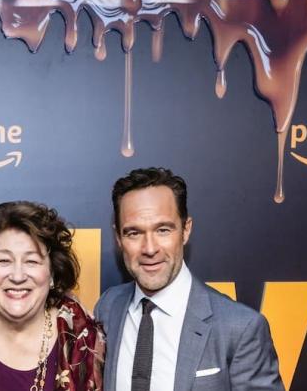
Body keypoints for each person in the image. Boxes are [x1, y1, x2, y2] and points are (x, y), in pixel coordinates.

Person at [95, 167, 284, 391]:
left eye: (163, 230)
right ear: (118, 238)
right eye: (134, 233)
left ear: (185, 230)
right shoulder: (108, 308)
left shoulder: (240, 328)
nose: (149, 248)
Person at [0, 201, 105, 391]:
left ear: (52, 274)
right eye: (4, 260)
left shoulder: (83, 337)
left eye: (31, 261)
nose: (17, 276)